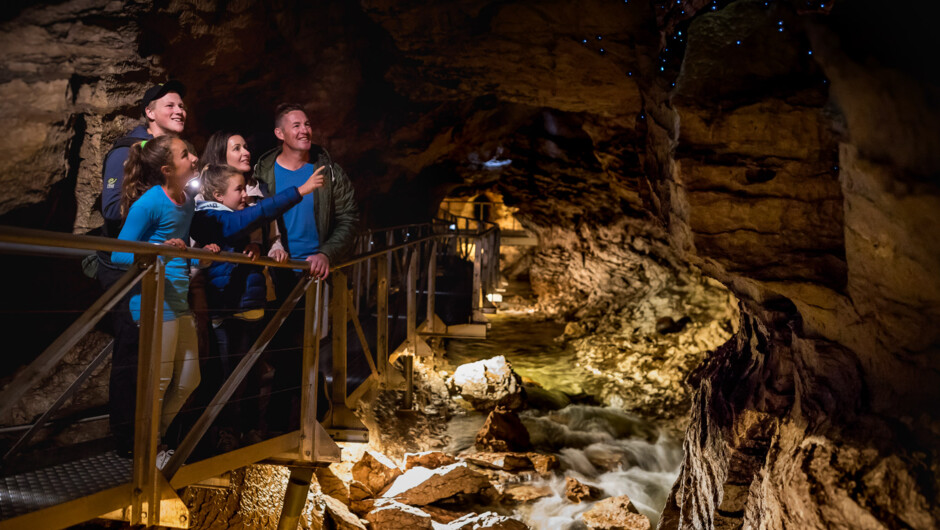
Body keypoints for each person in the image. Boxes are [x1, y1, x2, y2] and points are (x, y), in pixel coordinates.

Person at [189, 163, 326, 447]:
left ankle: (249, 427)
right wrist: (299, 191)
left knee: (251, 372)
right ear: (217, 194)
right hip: (226, 308)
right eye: (238, 190)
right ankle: (222, 431)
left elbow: (246, 226)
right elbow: (242, 223)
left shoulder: (232, 215)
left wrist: (259, 247)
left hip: (250, 304)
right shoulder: (208, 215)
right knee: (226, 373)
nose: (245, 195)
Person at [253, 103, 359, 432]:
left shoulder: (329, 172)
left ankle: (286, 421)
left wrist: (327, 253)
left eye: (308, 124)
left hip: (314, 273)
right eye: (296, 125)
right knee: (281, 347)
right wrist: (264, 246)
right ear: (279, 133)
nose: (304, 130)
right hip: (275, 271)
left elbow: (348, 218)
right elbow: (254, 214)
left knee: (306, 345)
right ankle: (303, 413)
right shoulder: (263, 171)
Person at [111, 136, 216, 466]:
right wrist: (159, 253)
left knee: (189, 379)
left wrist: (200, 254)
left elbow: (179, 247)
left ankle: (155, 439)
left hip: (178, 299)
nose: (195, 158)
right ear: (168, 169)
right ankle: (150, 450)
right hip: (155, 303)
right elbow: (118, 254)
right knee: (159, 382)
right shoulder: (150, 203)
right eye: (187, 154)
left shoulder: (186, 199)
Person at [97, 81, 187, 456]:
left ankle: (153, 436)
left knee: (161, 355)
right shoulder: (126, 152)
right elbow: (111, 207)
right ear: (149, 112)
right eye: (171, 104)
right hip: (127, 267)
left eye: (183, 105)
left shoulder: (174, 155)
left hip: (157, 266)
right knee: (133, 351)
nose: (180, 110)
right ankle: (127, 441)